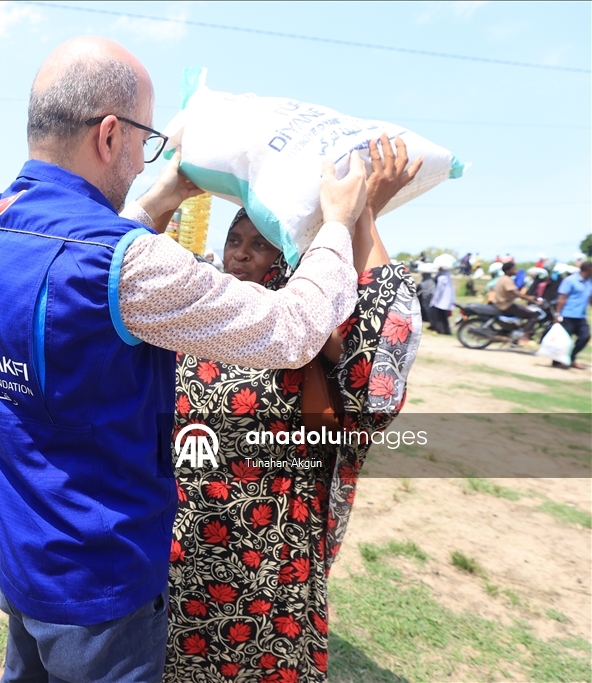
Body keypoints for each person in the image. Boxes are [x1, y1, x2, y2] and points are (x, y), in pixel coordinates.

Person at [0, 36, 367, 682]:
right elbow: (290, 329)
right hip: (99, 583)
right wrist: (337, 225)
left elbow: (85, 256)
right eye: (145, 139)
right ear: (109, 135)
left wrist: (166, 192)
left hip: (20, 553)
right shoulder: (123, 263)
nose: (146, 160)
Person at [167, 135, 422, 682]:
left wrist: (360, 214)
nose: (238, 252)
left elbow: (377, 376)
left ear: (291, 257)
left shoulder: (304, 328)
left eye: (259, 244)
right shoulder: (203, 310)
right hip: (186, 544)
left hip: (269, 561)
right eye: (234, 238)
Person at [552, 261, 592, 369]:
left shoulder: (590, 282)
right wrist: (557, 314)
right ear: (588, 269)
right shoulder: (570, 280)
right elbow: (562, 298)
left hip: (581, 316)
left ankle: (571, 357)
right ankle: (557, 361)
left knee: (585, 337)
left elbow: (590, 298)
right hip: (568, 314)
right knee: (565, 340)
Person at [489, 261, 541, 344]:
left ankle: (516, 331)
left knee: (522, 310)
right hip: (506, 305)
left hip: (502, 303)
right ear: (508, 270)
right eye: (513, 269)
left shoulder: (502, 278)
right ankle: (524, 337)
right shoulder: (507, 280)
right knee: (533, 315)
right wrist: (531, 299)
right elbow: (517, 294)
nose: (515, 270)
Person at [429, 255, 455, 335]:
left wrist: (434, 299)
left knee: (438, 315)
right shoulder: (445, 275)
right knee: (443, 316)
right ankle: (445, 330)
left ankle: (440, 329)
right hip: (445, 299)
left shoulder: (442, 277)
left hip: (441, 299)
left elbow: (439, 290)